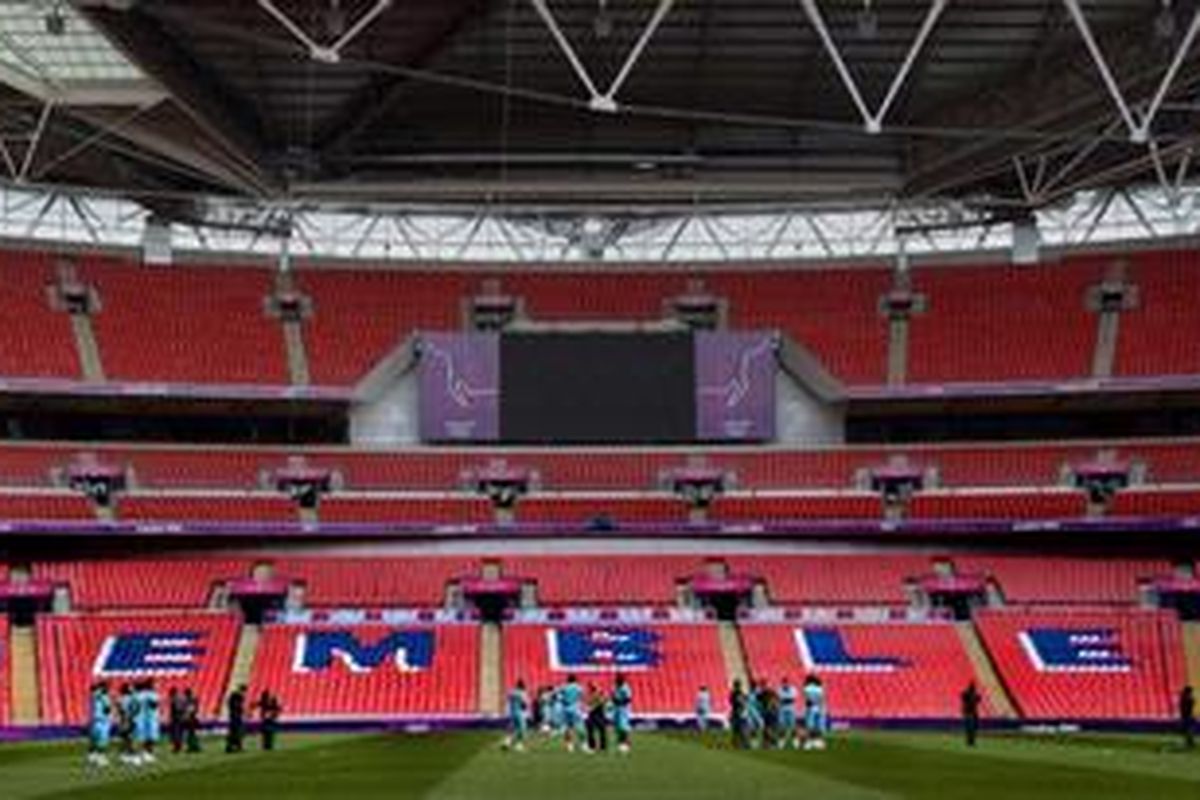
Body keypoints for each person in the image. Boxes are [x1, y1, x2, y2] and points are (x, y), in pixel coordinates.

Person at [87, 681, 113, 768]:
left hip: (95, 720)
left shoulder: (94, 695)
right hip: (102, 721)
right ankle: (100, 758)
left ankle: (92, 757)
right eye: (106, 687)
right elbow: (107, 709)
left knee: (94, 740)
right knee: (102, 740)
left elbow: (92, 690)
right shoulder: (103, 696)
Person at [135, 679, 161, 763]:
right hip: (150, 718)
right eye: (155, 684)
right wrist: (156, 701)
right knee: (150, 737)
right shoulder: (151, 694)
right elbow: (154, 705)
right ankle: (147, 754)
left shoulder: (142, 694)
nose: (157, 686)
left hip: (144, 718)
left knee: (144, 737)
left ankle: (145, 753)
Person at [559, 675, 585, 752]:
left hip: (566, 709)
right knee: (580, 726)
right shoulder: (578, 687)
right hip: (575, 708)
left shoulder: (564, 687)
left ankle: (569, 745)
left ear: (568, 680)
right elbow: (582, 696)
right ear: (575, 680)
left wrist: (563, 700)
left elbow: (559, 695)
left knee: (568, 727)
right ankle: (583, 744)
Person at [504, 679, 529, 752]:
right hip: (520, 713)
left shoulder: (512, 692)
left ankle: (507, 742)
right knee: (522, 729)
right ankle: (519, 745)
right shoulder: (522, 693)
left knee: (512, 728)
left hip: (512, 712)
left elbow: (508, 699)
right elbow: (524, 704)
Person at [117, 683, 139, 765]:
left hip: (125, 719)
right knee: (130, 737)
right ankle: (132, 755)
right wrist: (130, 716)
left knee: (126, 737)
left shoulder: (122, 698)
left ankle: (126, 755)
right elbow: (135, 708)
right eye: (131, 688)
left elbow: (120, 709)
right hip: (128, 719)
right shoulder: (129, 698)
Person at [611, 674, 633, 754]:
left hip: (624, 709)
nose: (617, 681)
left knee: (623, 726)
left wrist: (620, 702)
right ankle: (620, 743)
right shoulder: (615, 687)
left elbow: (628, 699)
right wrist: (614, 700)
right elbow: (612, 696)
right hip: (616, 708)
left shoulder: (625, 687)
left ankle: (627, 743)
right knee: (618, 726)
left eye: (619, 679)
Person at [585, 682, 609, 753]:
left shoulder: (599, 692)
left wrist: (594, 706)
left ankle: (602, 747)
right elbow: (588, 703)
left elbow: (605, 699)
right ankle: (593, 746)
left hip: (598, 713)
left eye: (593, 686)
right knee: (591, 729)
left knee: (601, 730)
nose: (591, 688)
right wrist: (589, 706)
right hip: (593, 714)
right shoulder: (590, 694)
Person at [778, 677, 799, 749]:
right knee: (782, 726)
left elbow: (792, 699)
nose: (785, 684)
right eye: (784, 682)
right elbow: (780, 699)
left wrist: (785, 699)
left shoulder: (793, 689)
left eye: (786, 682)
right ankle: (781, 741)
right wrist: (787, 699)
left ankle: (795, 741)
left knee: (793, 725)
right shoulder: (779, 689)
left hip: (791, 709)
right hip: (782, 709)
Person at [728, 679, 749, 749]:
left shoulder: (736, 693)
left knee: (739, 729)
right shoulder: (739, 693)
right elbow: (743, 702)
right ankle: (741, 743)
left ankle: (741, 743)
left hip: (738, 712)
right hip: (740, 712)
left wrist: (739, 709)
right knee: (739, 729)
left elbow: (736, 702)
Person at [226, 684, 247, 754]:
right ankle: (232, 747)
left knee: (236, 732)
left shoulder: (236, 696)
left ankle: (234, 746)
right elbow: (236, 706)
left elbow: (232, 705)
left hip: (235, 716)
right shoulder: (237, 696)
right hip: (235, 716)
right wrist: (238, 711)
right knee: (236, 732)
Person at [961, 682, 982, 748]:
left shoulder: (973, 695)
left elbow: (979, 699)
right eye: (973, 688)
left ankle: (970, 741)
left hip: (971, 713)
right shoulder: (967, 694)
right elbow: (963, 697)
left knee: (972, 728)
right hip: (969, 713)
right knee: (970, 728)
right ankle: (970, 741)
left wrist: (975, 698)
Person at [183, 688, 202, 753]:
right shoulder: (193, 699)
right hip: (193, 718)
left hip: (191, 718)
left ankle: (193, 746)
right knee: (192, 733)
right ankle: (194, 746)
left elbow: (191, 710)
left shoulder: (190, 700)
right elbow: (195, 709)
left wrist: (187, 715)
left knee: (191, 733)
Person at [168, 688, 186, 755]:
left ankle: (177, 747)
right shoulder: (182, 698)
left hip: (176, 718)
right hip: (182, 717)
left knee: (176, 733)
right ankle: (180, 746)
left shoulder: (175, 699)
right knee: (180, 733)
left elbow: (176, 709)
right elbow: (184, 708)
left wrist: (171, 717)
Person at [1180, 685, 1195, 750]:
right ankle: (1189, 741)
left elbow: (1184, 707)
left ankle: (1189, 741)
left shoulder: (1186, 698)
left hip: (1186, 716)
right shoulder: (1189, 698)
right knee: (1187, 729)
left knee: (1187, 729)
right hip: (1187, 715)